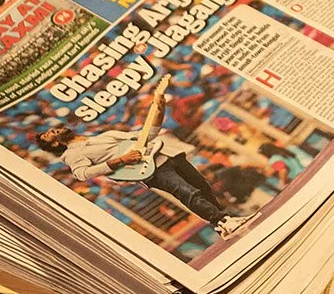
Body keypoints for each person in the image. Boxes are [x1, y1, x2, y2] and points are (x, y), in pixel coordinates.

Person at [36, 92, 248, 237]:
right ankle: (222, 220)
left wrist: (160, 109)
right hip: (148, 170)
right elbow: (82, 175)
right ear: (54, 144)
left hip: (165, 155)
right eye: (48, 135)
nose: (53, 130)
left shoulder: (104, 135)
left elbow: (146, 134)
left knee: (202, 187)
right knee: (187, 192)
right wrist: (120, 161)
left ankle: (224, 222)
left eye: (51, 129)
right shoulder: (73, 155)